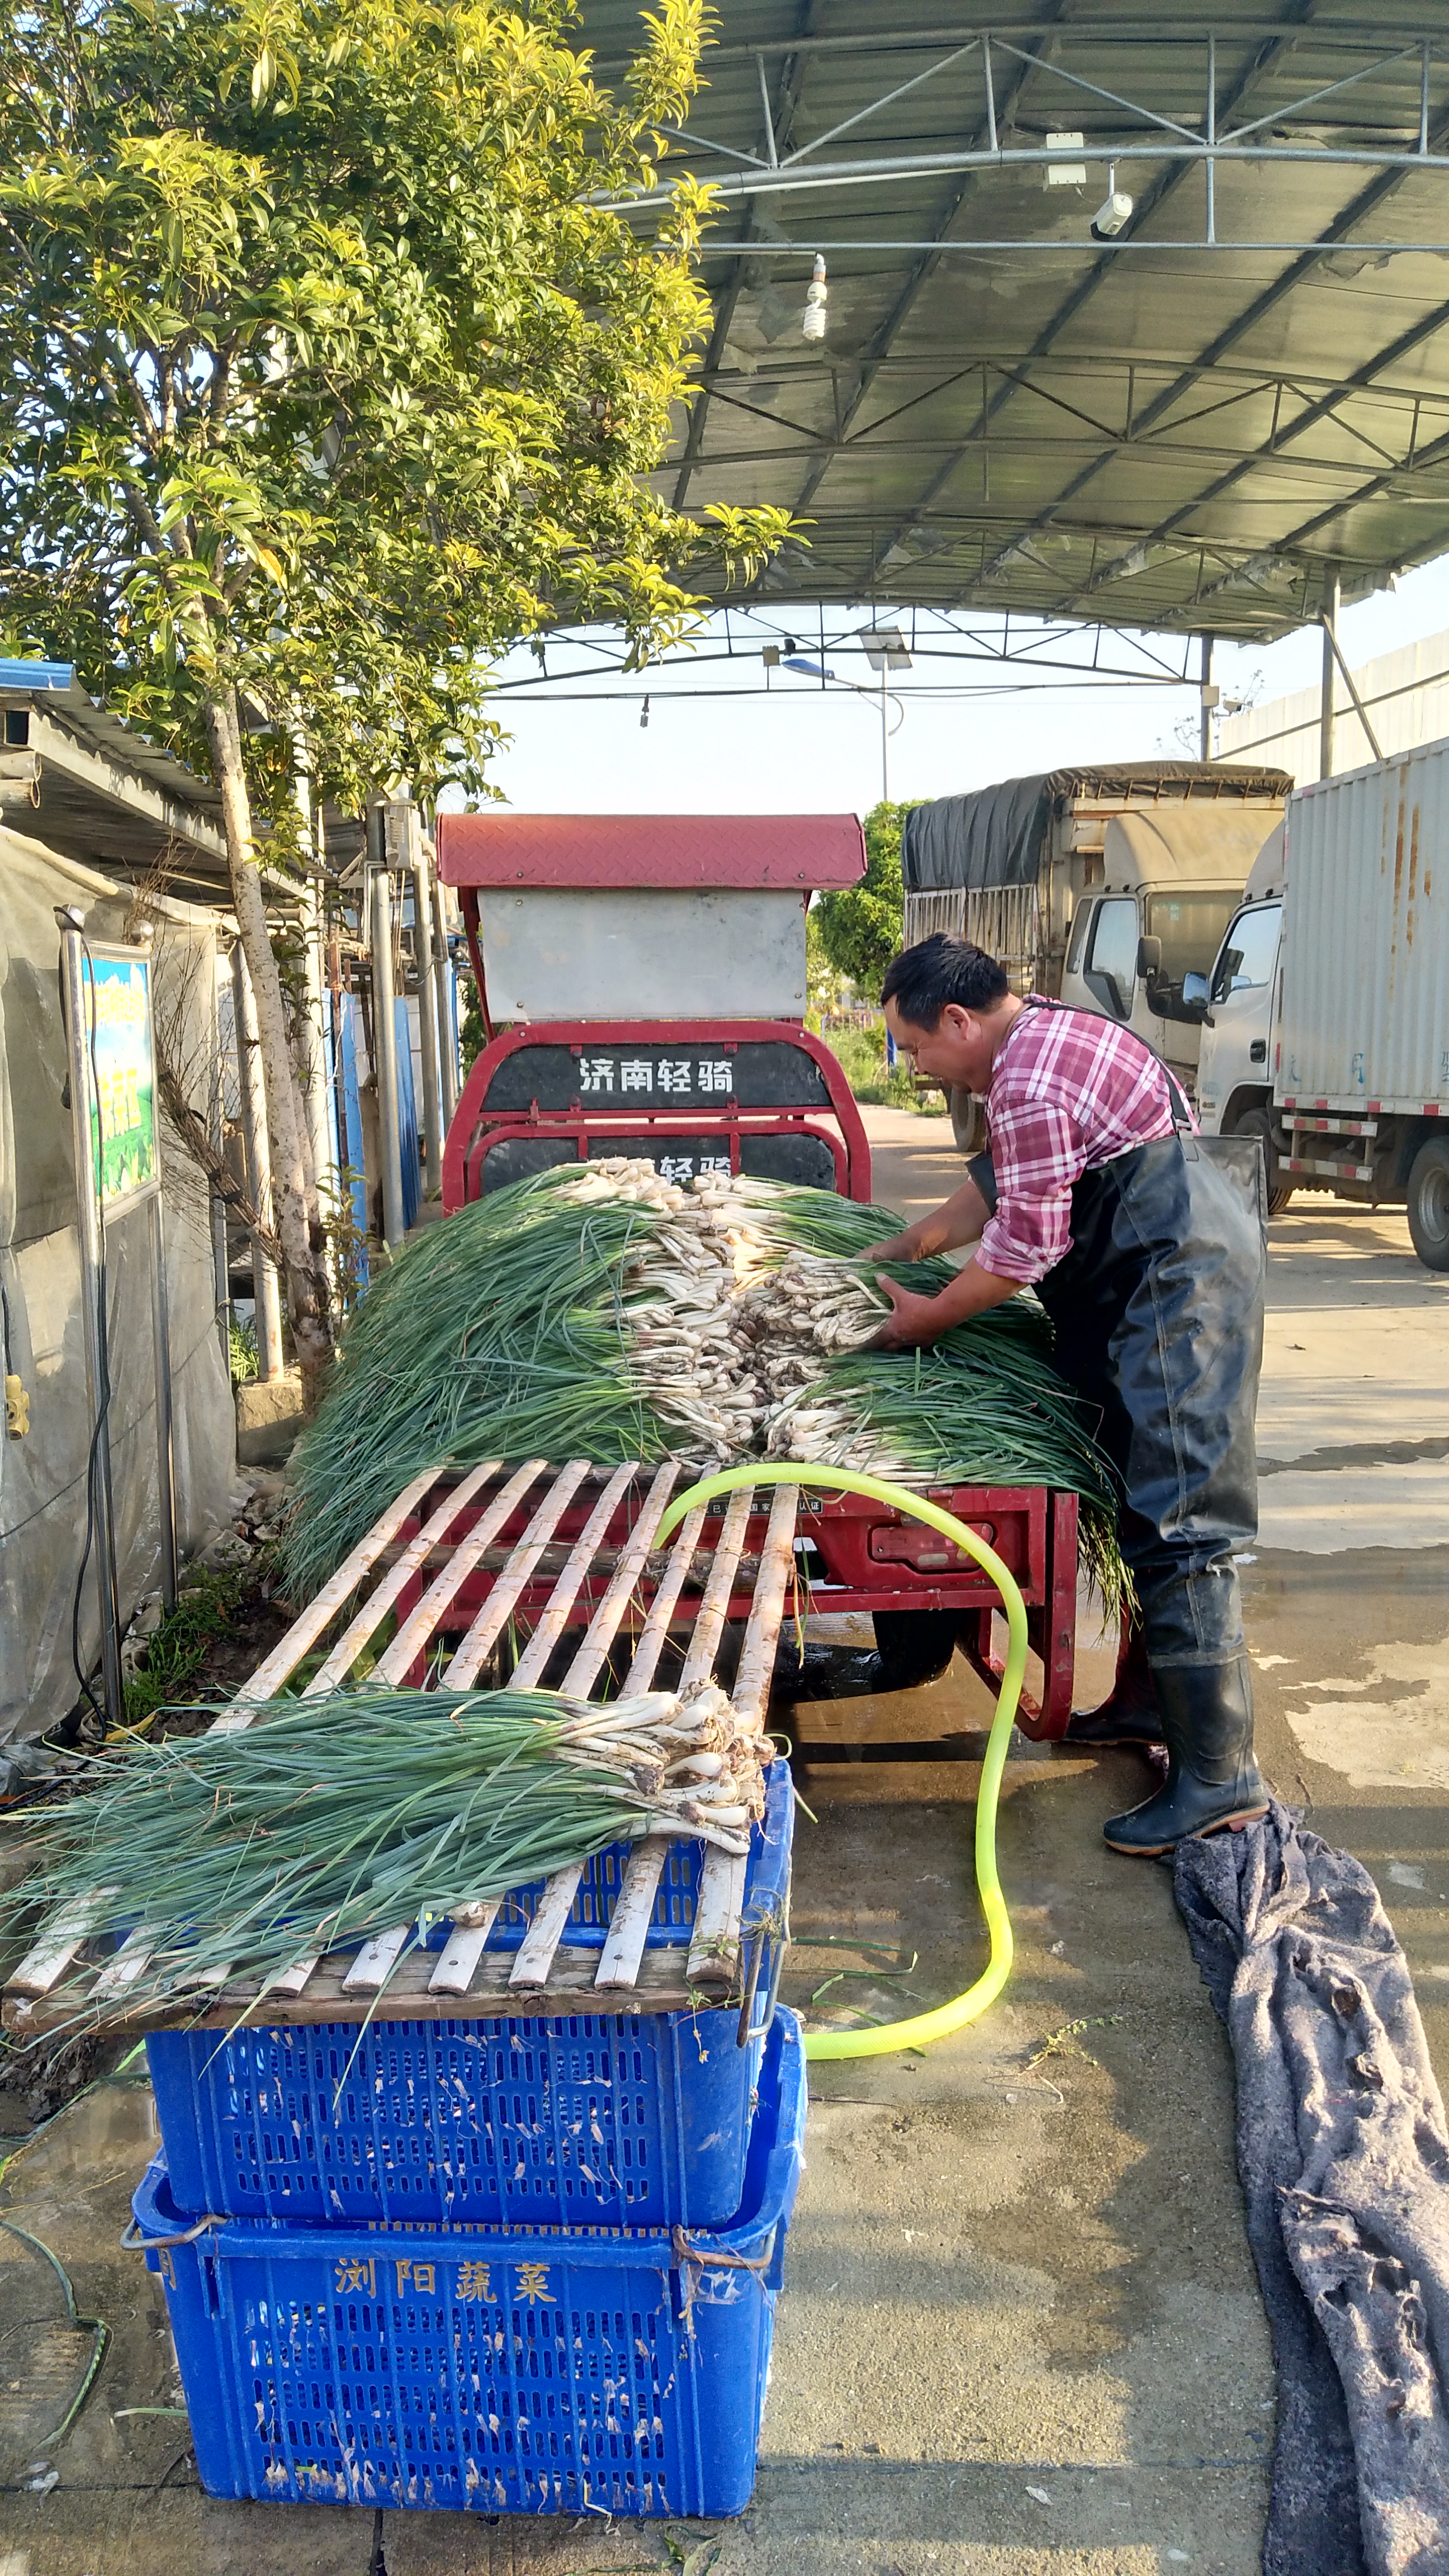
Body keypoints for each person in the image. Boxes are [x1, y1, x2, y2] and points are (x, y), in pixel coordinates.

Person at [868, 932, 1268, 1859]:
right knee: (1136, 1499)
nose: (920, 1067)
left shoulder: (1028, 1080)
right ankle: (1143, 1702)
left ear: (960, 1019)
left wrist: (925, 1320)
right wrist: (899, 1250)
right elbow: (994, 1192)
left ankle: (1220, 1779)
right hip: (1147, 1278)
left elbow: (1022, 1248)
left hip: (1174, 1290)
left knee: (1182, 1523)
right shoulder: (1041, 1034)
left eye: (919, 1047)